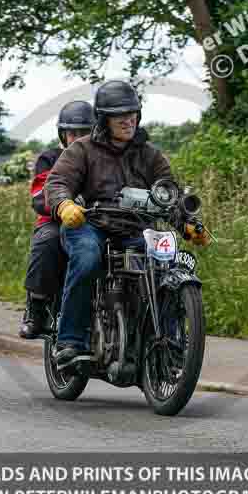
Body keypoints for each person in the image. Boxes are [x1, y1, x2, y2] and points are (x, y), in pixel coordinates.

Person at [43, 80, 210, 369]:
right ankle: (70, 341)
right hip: (90, 224)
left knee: (166, 266)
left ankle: (168, 345)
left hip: (135, 228)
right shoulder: (81, 150)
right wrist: (64, 204)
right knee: (87, 257)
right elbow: (57, 183)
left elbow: (167, 195)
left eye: (132, 112)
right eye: (119, 114)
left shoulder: (150, 155)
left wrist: (187, 225)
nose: (128, 119)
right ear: (103, 119)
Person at [18, 100, 95, 339]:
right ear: (63, 135)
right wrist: (62, 207)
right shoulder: (50, 158)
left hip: (96, 221)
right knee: (48, 241)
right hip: (55, 220)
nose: (79, 138)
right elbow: (40, 195)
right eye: (73, 133)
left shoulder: (102, 158)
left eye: (85, 132)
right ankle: (36, 308)